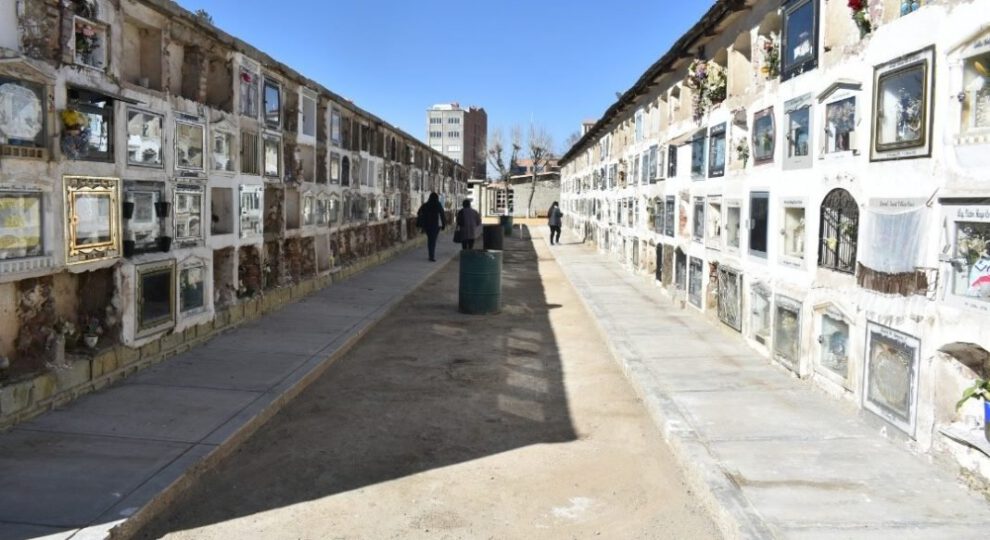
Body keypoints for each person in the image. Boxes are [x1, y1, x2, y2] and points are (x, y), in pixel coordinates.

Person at [417, 192, 446, 261]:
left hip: (427, 225)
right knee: (433, 240)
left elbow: (419, 212)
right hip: (435, 225)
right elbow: (442, 214)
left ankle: (431, 254)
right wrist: (443, 225)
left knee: (430, 240)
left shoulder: (426, 204)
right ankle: (431, 256)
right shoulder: (437, 204)